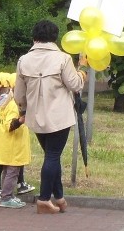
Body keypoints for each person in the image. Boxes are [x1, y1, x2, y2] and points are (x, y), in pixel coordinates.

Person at [14, 20, 88, 214]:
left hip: (35, 116)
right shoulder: (63, 59)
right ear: (55, 37)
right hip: (59, 116)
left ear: (34, 37)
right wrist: (82, 72)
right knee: (53, 156)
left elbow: (19, 95)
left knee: (51, 156)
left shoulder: (23, 60)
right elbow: (75, 85)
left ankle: (60, 197)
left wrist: (23, 111)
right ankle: (44, 199)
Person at [0, 72, 32, 209]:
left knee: (7, 170)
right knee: (13, 171)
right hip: (13, 144)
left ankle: (6, 194)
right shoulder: (14, 104)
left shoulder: (5, 101)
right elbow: (10, 125)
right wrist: (21, 120)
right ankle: (6, 197)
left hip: (6, 144)